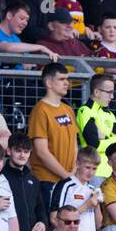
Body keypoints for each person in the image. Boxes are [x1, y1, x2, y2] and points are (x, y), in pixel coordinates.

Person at [28, 63, 77, 199]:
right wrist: (66, 175)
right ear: (49, 83)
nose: (66, 83)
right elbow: (41, 151)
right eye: (61, 79)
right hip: (46, 180)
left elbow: (74, 143)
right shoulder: (40, 110)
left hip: (67, 179)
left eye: (67, 79)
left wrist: (73, 172)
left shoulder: (68, 109)